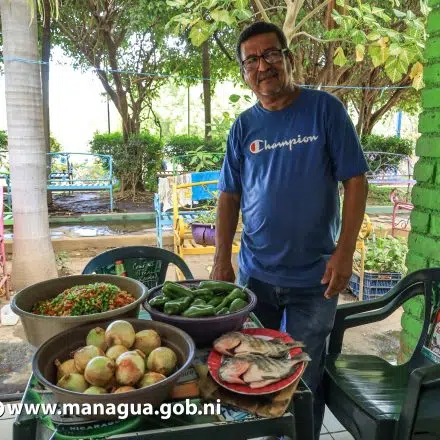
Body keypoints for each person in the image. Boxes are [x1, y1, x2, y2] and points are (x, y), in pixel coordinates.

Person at [210, 21, 369, 439]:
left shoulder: (325, 110)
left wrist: (345, 252)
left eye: (270, 54)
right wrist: (221, 259)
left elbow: (355, 181)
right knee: (251, 374)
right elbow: (229, 195)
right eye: (251, 60)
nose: (263, 66)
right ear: (244, 72)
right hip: (256, 275)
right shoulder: (243, 126)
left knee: (302, 379)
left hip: (315, 277)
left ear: (288, 58)